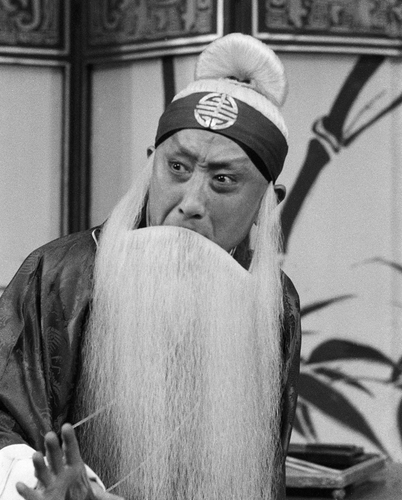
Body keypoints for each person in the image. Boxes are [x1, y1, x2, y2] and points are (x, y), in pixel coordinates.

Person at [0, 33, 301, 500]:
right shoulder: (61, 275)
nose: (191, 202)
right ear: (150, 166)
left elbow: (265, 471)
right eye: (178, 168)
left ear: (268, 202)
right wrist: (49, 481)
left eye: (223, 180)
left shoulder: (273, 302)